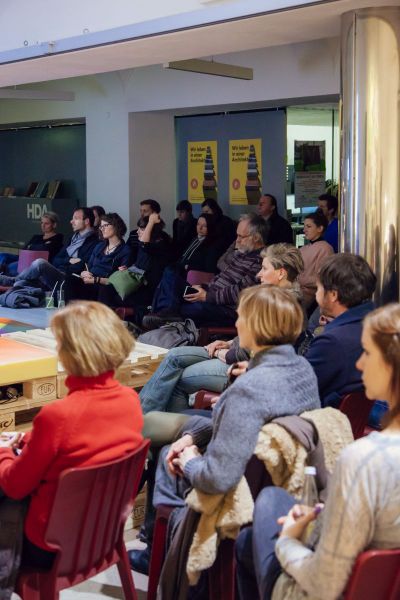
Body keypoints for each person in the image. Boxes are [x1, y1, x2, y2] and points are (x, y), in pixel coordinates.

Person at [129, 285, 320, 574]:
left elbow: (216, 477)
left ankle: (159, 550)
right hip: (277, 479)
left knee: (167, 452)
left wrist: (189, 460)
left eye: (241, 317)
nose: (237, 323)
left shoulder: (249, 388)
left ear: (256, 326)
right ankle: (155, 538)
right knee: (169, 431)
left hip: (244, 488)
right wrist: (196, 434)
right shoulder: (302, 369)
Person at [235, 302, 400, 600]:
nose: (359, 364)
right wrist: (322, 518)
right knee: (271, 504)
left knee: (252, 532)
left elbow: (324, 583)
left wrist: (287, 542)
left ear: (391, 365)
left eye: (367, 353)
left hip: (318, 590)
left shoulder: (364, 459)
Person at [0, 301, 143, 570]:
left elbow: (14, 486)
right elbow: (86, 444)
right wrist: (30, 441)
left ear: (71, 354)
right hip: (101, 531)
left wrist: (4, 451)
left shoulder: (58, 415)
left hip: (49, 543)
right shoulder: (130, 399)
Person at [140, 243, 305, 414]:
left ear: (281, 273)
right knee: (174, 356)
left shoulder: (280, 305)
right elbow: (254, 338)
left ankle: (158, 421)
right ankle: (148, 417)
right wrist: (228, 342)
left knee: (178, 377)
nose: (259, 274)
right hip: (236, 355)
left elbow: (247, 353)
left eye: (264, 268)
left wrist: (220, 352)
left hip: (245, 368)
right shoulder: (276, 299)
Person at [143, 213, 268, 328]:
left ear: (256, 238)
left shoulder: (261, 261)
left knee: (188, 308)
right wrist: (203, 287)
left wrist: (207, 296)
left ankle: (166, 316)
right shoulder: (242, 253)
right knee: (170, 273)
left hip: (225, 309)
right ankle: (167, 315)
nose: (237, 240)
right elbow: (221, 277)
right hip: (209, 295)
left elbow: (241, 292)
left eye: (241, 236)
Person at [304, 252, 376, 408]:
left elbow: (297, 388)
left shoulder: (331, 342)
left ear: (333, 295)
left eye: (318, 288)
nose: (316, 293)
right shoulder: (381, 325)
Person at [0, 207, 98, 291]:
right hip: (56, 272)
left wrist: (65, 263)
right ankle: (14, 284)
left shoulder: (94, 242)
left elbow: (81, 265)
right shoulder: (73, 238)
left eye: (76, 218)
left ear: (86, 221)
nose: (71, 221)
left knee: (40, 263)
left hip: (68, 278)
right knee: (20, 283)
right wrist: (68, 260)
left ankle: (12, 280)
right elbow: (56, 260)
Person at [98, 212, 172, 313]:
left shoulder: (160, 245)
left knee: (114, 298)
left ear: (151, 230)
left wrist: (151, 222)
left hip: (147, 288)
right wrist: (129, 269)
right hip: (136, 283)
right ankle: (102, 320)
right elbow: (140, 264)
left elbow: (144, 245)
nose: (137, 232)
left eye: (142, 229)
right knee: (105, 290)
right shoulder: (144, 246)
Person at [64, 212, 131, 302]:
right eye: (101, 226)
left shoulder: (125, 250)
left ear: (116, 226)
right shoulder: (99, 246)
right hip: (90, 281)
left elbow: (119, 279)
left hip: (104, 284)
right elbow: (88, 267)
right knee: (70, 280)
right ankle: (71, 310)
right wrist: (84, 273)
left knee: (103, 289)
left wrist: (96, 280)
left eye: (105, 226)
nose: (102, 229)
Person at [0, 212, 64, 276]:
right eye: (42, 223)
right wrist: (38, 246)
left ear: (54, 225)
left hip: (35, 263)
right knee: (2, 255)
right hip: (24, 258)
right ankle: (2, 269)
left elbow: (45, 250)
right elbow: (24, 250)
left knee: (11, 267)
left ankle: (3, 270)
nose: (43, 226)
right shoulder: (36, 237)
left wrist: (31, 246)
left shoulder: (57, 238)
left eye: (46, 223)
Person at [298, 211, 334, 311]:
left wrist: (298, 279)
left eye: (308, 226)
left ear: (320, 228)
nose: (304, 230)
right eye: (304, 226)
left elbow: (322, 279)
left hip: (310, 298)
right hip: (298, 292)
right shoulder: (303, 249)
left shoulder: (325, 248)